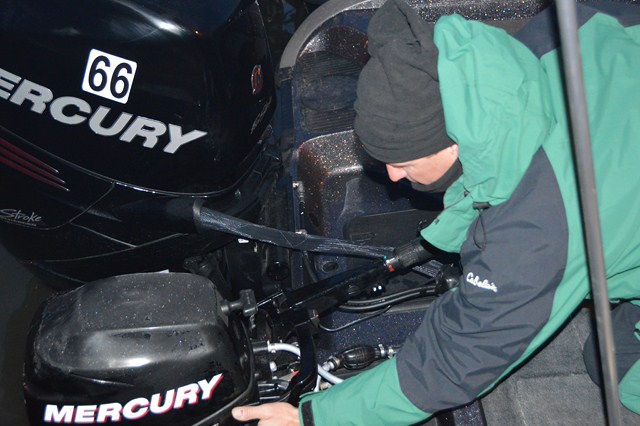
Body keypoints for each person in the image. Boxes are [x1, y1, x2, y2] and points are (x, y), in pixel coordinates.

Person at [233, 0, 640, 424]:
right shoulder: (548, 38)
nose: (392, 176)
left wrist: (312, 417)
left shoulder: (538, 228)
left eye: (404, 163)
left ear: (454, 143)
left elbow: (453, 362)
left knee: (618, 362)